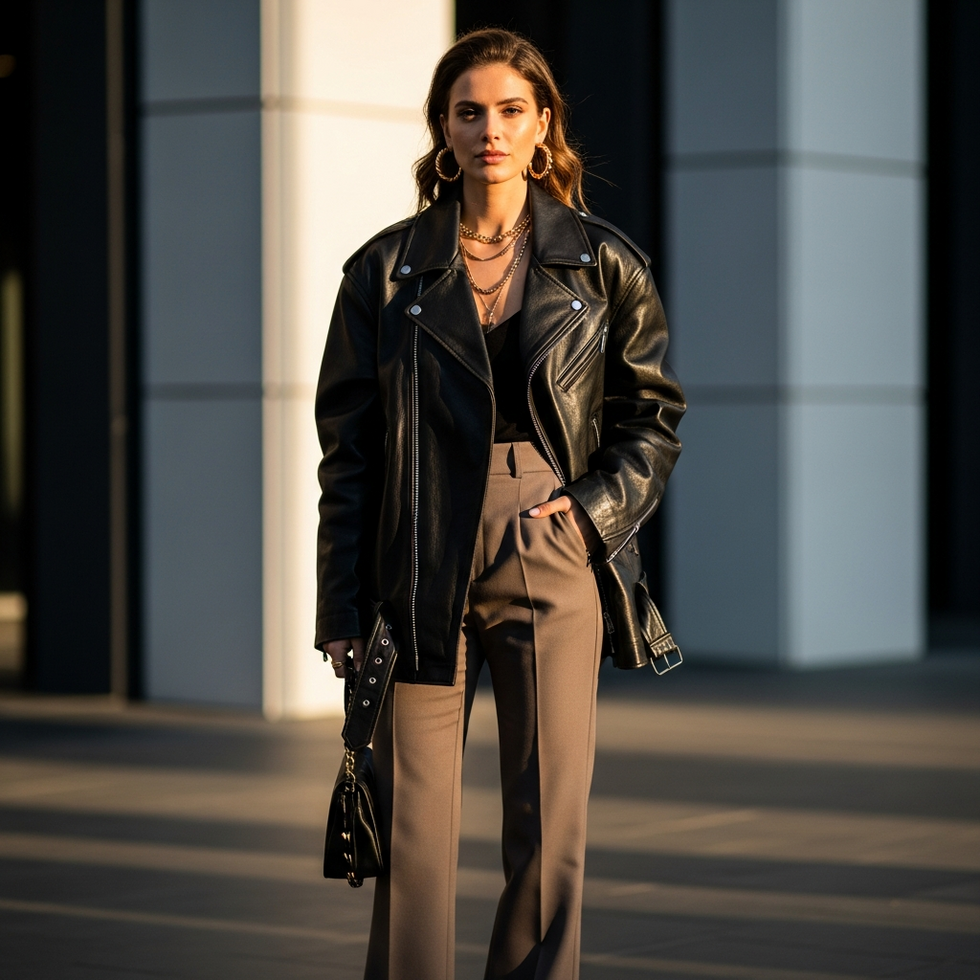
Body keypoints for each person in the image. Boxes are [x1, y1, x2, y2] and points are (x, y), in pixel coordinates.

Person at [315, 27, 685, 980]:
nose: (489, 129)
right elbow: (348, 454)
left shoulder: (602, 264)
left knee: (548, 820)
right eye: (469, 110)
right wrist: (340, 607)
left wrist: (593, 509)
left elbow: (651, 420)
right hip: (415, 549)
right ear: (443, 128)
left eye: (510, 110)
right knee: (413, 827)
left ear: (543, 124)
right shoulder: (384, 271)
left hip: (549, 540)